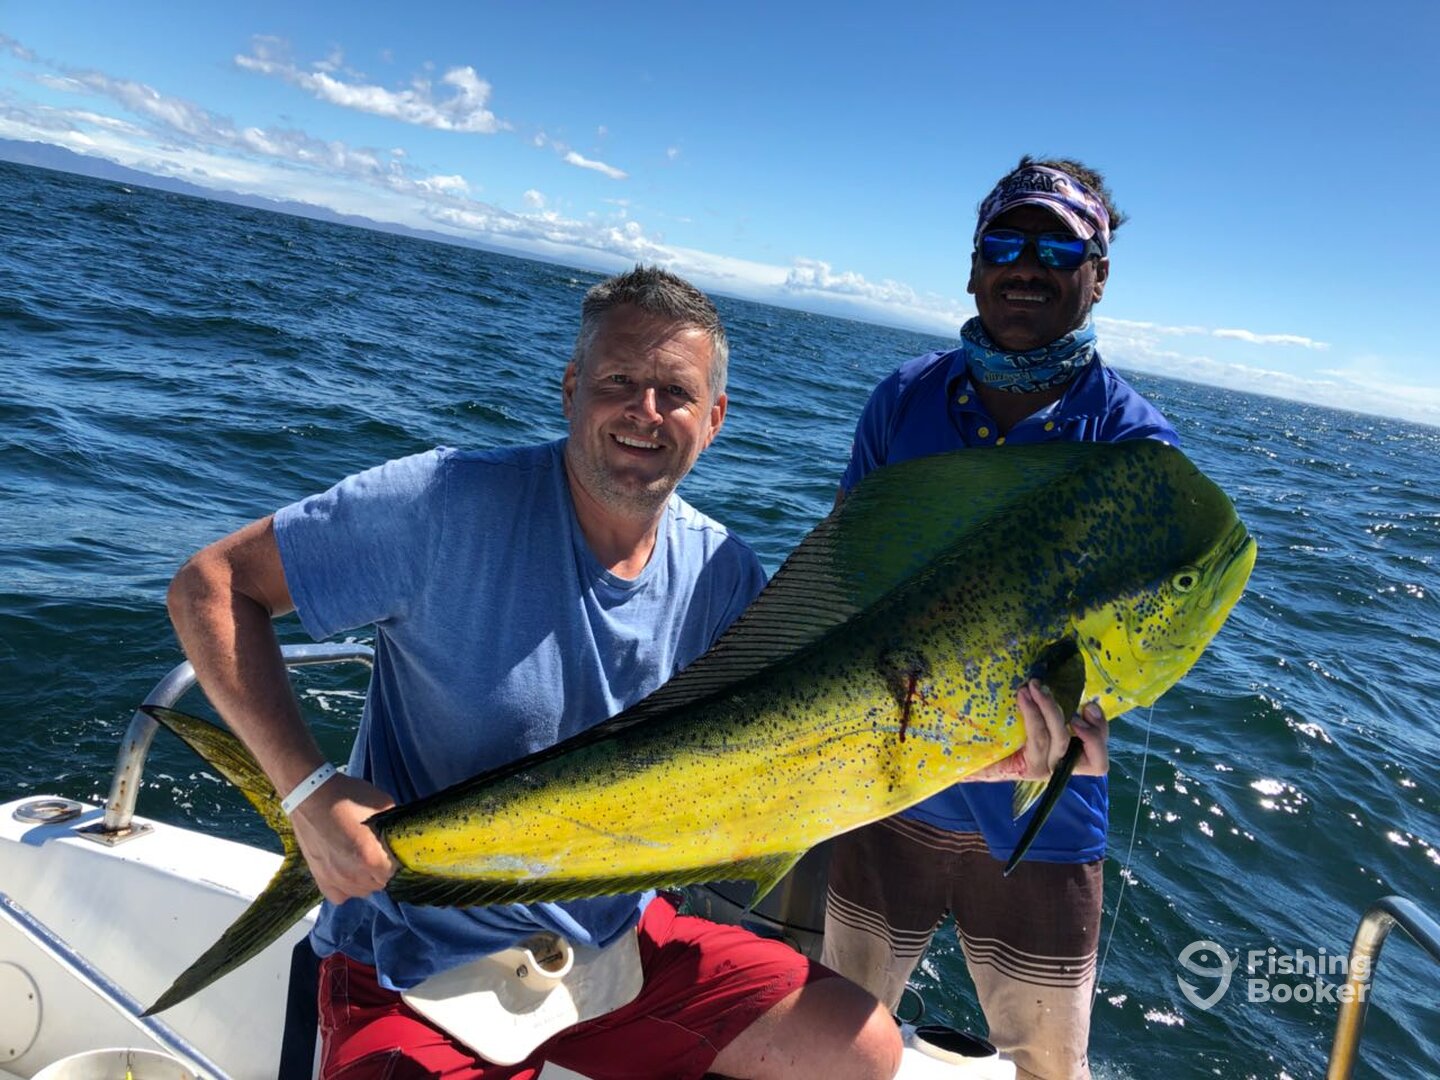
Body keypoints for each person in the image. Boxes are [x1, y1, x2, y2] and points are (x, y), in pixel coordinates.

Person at [165, 266, 903, 1080]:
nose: (644, 411)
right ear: (570, 390)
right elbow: (212, 585)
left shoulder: (725, 573)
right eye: (619, 380)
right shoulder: (444, 502)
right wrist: (307, 791)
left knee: (860, 1045)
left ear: (715, 419)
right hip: (416, 953)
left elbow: (807, 747)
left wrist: (997, 752)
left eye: (675, 392)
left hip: (612, 941)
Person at [821, 157, 1179, 1080]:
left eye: (1059, 244)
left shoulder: (1133, 447)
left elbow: (1131, 640)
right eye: (1006, 241)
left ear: (1098, 275)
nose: (1028, 262)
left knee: (1047, 1067)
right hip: (886, 785)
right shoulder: (902, 402)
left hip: (1039, 809)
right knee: (834, 1038)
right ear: (973, 266)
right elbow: (843, 575)